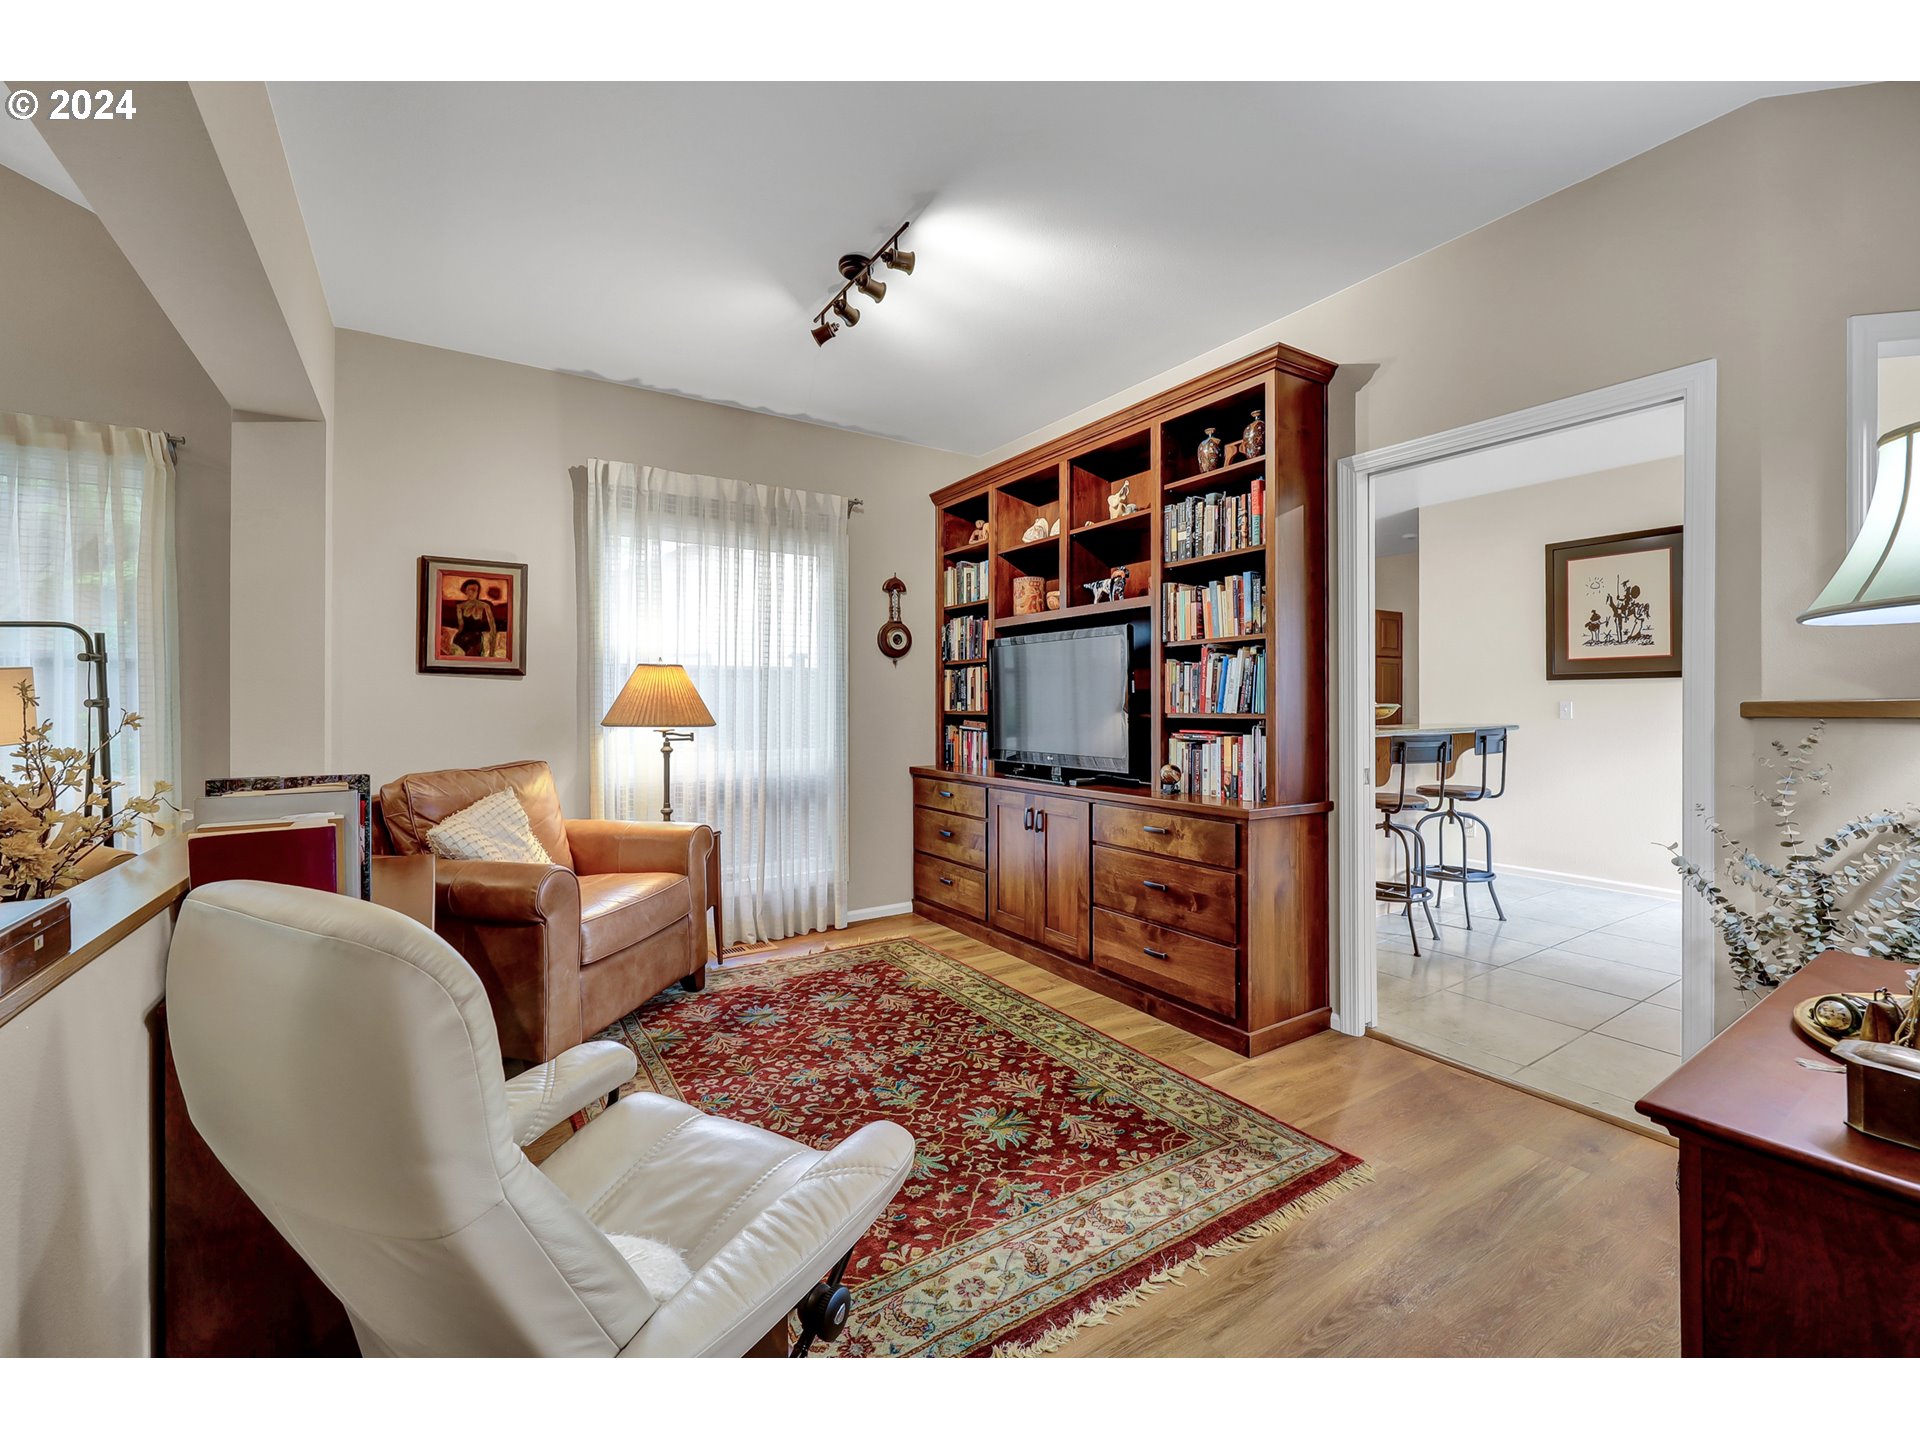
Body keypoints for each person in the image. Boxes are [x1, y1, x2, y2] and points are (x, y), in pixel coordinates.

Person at [449, 578, 497, 658]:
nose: (473, 592)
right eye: (470, 590)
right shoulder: (460, 606)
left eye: (475, 590)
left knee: (474, 653)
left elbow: (493, 628)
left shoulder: (485, 606)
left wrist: (492, 650)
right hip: (463, 637)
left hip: (476, 638)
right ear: (465, 591)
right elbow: (461, 627)